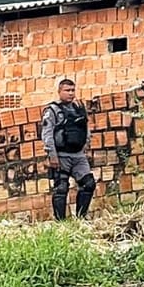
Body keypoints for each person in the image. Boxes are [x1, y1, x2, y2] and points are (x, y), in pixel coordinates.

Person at [40, 78, 96, 220]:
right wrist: (52, 155)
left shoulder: (78, 109)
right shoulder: (53, 111)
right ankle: (60, 223)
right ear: (59, 92)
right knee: (61, 188)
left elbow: (86, 129)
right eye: (67, 90)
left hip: (78, 156)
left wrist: (86, 146)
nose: (70, 93)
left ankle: (81, 219)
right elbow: (47, 134)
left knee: (89, 184)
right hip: (61, 155)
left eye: (72, 90)